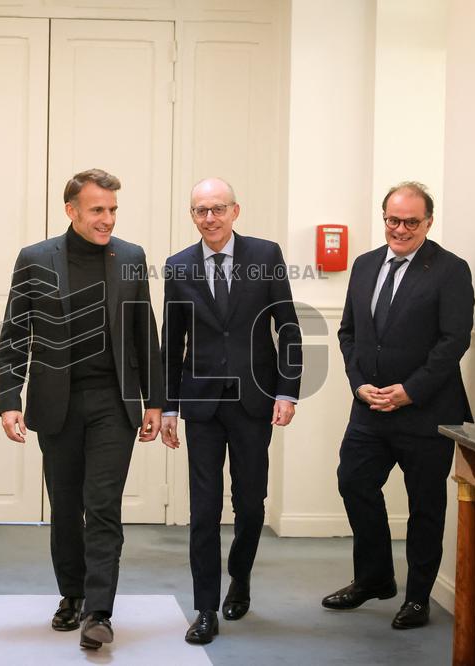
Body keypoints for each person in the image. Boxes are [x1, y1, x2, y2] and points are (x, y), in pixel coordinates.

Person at [0, 168, 165, 651]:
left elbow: (142, 333)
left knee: (103, 506)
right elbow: (15, 333)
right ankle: (70, 594)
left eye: (112, 210)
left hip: (113, 403)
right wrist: (9, 399)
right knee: (66, 508)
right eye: (98, 210)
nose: (107, 219)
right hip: (56, 405)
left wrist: (155, 399)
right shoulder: (35, 259)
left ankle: (98, 611)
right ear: (71, 210)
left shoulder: (130, 257)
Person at [322, 182, 474, 630]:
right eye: (392, 219)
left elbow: (453, 342)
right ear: (383, 217)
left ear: (429, 222)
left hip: (426, 412)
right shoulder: (366, 265)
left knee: (425, 506)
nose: (400, 229)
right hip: (369, 407)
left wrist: (411, 390)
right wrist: (359, 384)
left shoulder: (450, 270)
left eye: (411, 221)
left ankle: (418, 597)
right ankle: (374, 578)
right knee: (353, 482)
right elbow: (348, 333)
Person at [160, 177, 302, 645]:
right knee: (203, 510)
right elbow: (171, 343)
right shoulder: (178, 267)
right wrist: (166, 407)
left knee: (251, 503)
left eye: (218, 209)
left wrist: (287, 392)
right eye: (201, 210)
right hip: (200, 403)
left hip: (253, 402)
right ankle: (205, 608)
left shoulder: (265, 256)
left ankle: (239, 576)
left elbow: (289, 328)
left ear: (235, 211)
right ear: (192, 215)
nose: (210, 218)